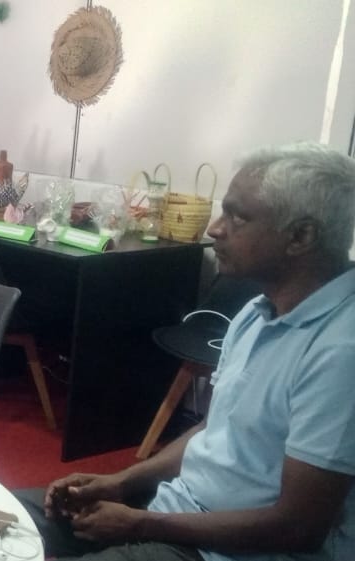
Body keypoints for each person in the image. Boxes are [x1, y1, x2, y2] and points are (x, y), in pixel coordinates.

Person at [22, 143, 355, 561]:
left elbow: (298, 528)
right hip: (176, 512)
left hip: (227, 551)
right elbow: (215, 429)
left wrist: (140, 523)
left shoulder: (340, 352)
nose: (215, 228)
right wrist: (122, 482)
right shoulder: (258, 311)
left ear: (301, 236)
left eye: (237, 217)